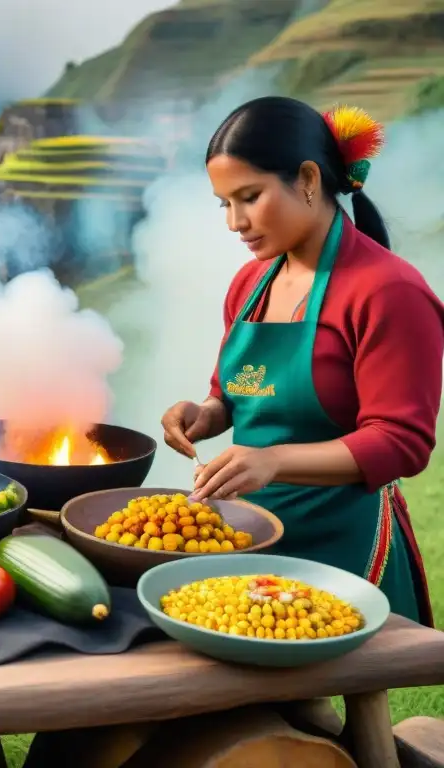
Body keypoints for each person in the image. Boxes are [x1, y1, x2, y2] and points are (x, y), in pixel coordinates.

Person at [161, 97, 441, 627]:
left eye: (249, 197)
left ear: (308, 178)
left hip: (344, 544)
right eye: (223, 203)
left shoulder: (390, 292)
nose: (234, 223)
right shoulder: (250, 283)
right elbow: (232, 391)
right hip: (253, 533)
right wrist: (205, 413)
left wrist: (273, 461)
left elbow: (402, 441)